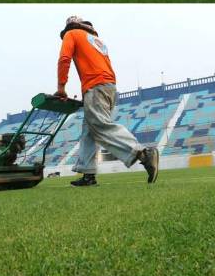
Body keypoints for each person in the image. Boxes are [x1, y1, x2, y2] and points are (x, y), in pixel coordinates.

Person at [56, 16, 159, 186]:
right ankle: (88, 174)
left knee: (100, 125)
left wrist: (61, 87)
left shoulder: (72, 33)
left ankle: (143, 153)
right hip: (108, 86)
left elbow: (64, 59)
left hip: (95, 85)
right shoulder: (95, 40)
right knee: (89, 130)